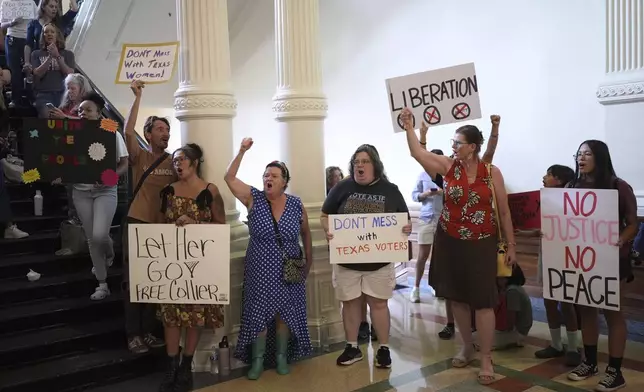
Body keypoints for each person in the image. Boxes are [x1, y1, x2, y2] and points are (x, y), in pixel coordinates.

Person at [401, 107, 516, 385]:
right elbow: (419, 154)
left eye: (457, 143)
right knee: (458, 298)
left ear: (473, 147)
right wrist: (409, 127)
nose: (453, 146)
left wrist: (511, 243)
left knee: (483, 301)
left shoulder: (491, 172)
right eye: (452, 142)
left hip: (482, 243)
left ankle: (486, 356)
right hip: (450, 241)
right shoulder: (447, 166)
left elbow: (503, 210)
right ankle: (466, 345)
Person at [225, 138, 313, 380]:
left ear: (284, 182)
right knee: (259, 312)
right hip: (259, 266)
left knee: (285, 313)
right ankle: (258, 360)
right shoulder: (254, 198)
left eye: (274, 175)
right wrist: (242, 151)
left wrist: (309, 261)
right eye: (266, 175)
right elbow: (229, 178)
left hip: (290, 265)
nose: (268, 179)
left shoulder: (295, 204)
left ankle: (283, 357)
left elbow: (306, 233)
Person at [321, 144, 412, 369]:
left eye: (365, 161)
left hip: (379, 262)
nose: (359, 166)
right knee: (350, 303)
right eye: (356, 162)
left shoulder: (390, 190)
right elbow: (325, 215)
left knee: (379, 304)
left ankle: (383, 348)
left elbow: (404, 220)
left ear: (375, 165)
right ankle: (352, 347)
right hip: (347, 261)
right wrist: (327, 229)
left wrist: (407, 228)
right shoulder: (341, 188)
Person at [566, 140, 638, 392]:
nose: (581, 158)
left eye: (587, 154)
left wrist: (621, 239)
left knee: (612, 312)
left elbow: (632, 223)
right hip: (581, 258)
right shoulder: (571, 186)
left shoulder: (618, 186)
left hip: (610, 260)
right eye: (579, 154)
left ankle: (615, 372)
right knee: (586, 309)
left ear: (600, 157)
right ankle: (590, 363)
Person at [157, 143, 226, 392]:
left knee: (194, 316)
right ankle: (171, 367)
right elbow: (158, 227)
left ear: (195, 162)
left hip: (200, 265)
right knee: (171, 318)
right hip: (172, 266)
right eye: (175, 160)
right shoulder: (168, 191)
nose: (178, 163)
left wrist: (195, 222)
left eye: (182, 159)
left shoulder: (209, 190)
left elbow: (221, 225)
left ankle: (186, 365)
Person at [122, 80, 174, 354]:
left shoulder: (174, 162)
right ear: (149, 134)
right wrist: (138, 98)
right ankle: (133, 335)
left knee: (154, 281)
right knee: (134, 281)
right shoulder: (140, 156)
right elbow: (126, 130)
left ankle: (148, 332)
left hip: (160, 228)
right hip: (137, 222)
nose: (166, 133)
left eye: (168, 129)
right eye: (160, 129)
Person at [522, 165, 581, 366]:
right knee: (548, 300)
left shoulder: (572, 201)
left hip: (565, 256)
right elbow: (540, 226)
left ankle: (573, 347)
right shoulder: (543, 200)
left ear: (559, 179)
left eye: (548, 174)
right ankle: (556, 344)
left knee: (566, 302)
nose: (544, 178)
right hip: (546, 254)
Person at [72, 92, 128, 300]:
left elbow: (124, 163)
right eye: (80, 110)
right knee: (92, 238)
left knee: (98, 236)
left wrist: (112, 176)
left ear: (98, 112)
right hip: (80, 191)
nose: (83, 113)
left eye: (88, 110)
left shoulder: (111, 131)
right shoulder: (73, 133)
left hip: (105, 190)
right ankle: (102, 284)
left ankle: (110, 251)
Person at [30, 22, 75, 118]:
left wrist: (57, 56)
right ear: (43, 36)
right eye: (46, 32)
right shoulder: (36, 54)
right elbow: (38, 74)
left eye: (52, 32)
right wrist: (50, 57)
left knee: (64, 119)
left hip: (64, 94)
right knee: (49, 118)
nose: (49, 34)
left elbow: (70, 74)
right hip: (43, 95)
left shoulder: (68, 54)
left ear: (57, 35)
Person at [0, 0, 39, 108]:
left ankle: (32, 97)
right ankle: (15, 99)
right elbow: (2, 25)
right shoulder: (6, 3)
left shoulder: (30, 2)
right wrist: (12, 22)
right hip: (12, 37)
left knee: (30, 69)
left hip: (28, 38)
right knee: (15, 70)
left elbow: (38, 18)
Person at [486, 265, 533, 350]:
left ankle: (514, 340)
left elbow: (510, 321)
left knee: (480, 340)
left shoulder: (512, 291)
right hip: (516, 330)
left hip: (517, 332)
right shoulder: (512, 289)